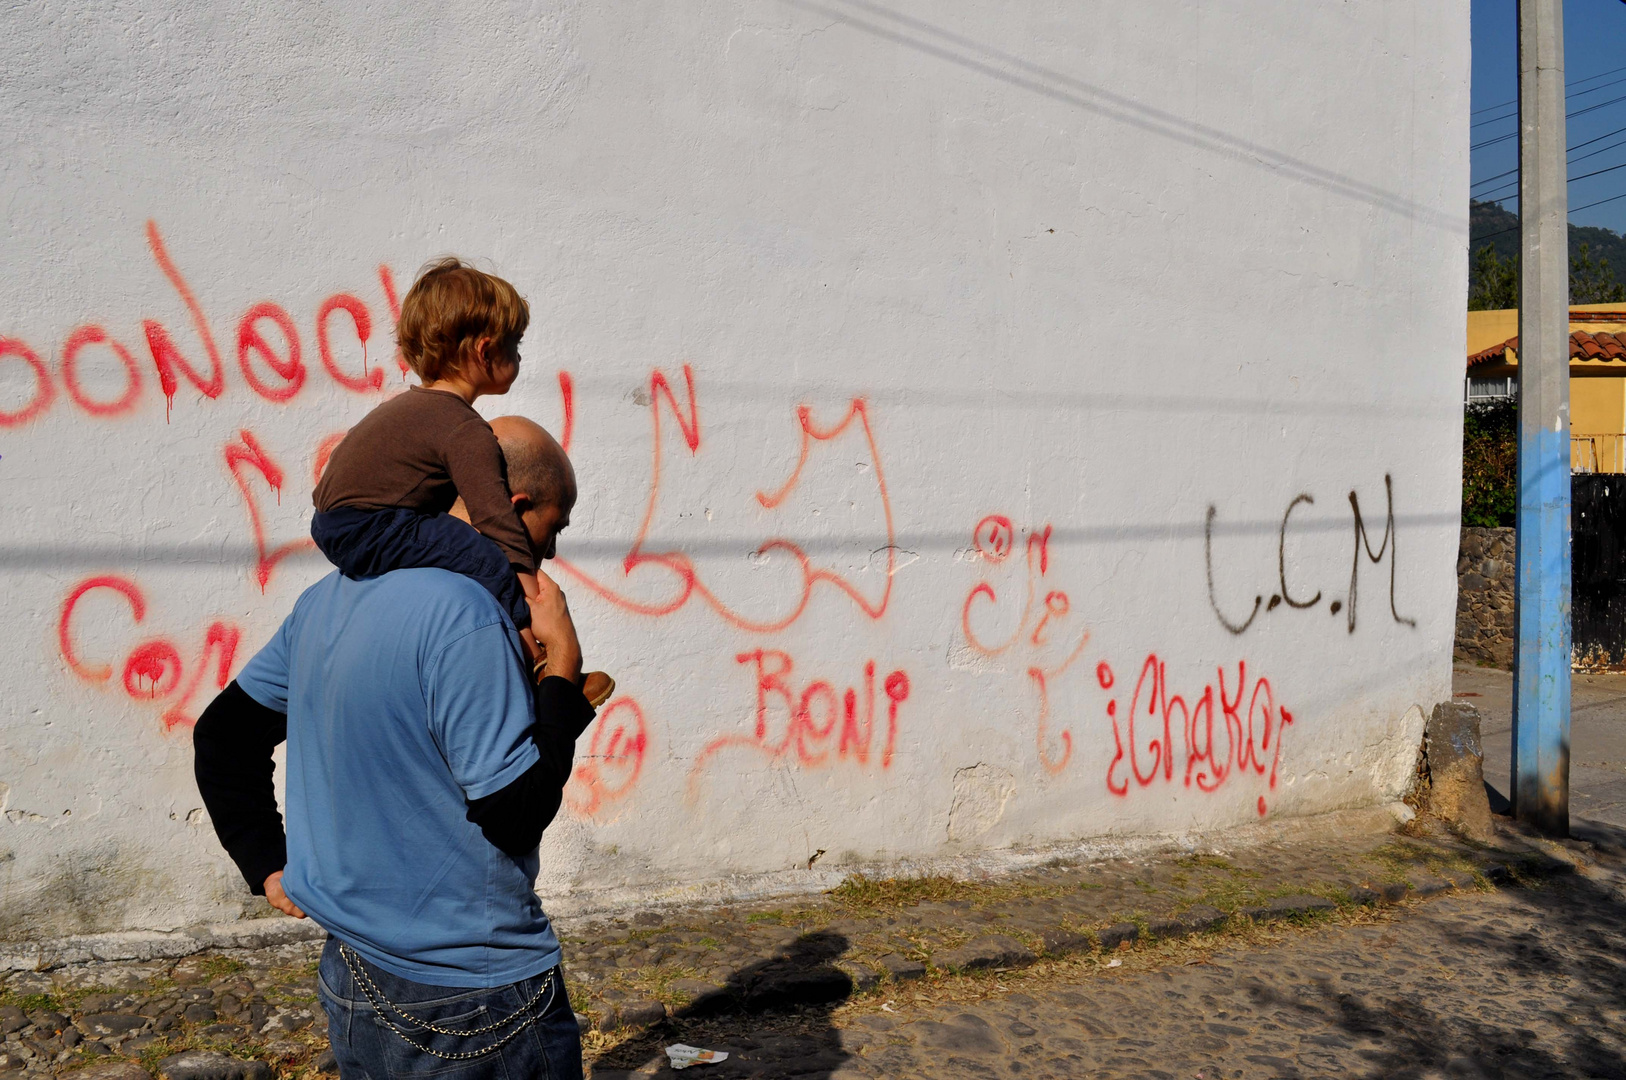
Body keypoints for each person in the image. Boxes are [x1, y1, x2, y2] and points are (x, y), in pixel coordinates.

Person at [194, 416, 593, 1080]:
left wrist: (268, 863)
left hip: (354, 975)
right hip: (476, 997)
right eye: (552, 532)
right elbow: (515, 810)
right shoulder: (468, 613)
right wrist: (563, 681)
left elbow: (223, 734)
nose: (548, 557)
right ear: (517, 508)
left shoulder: (326, 601)